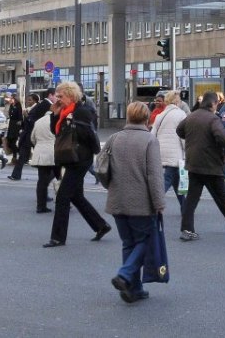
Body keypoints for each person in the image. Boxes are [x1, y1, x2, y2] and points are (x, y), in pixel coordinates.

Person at [106, 101, 166, 304]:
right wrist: (159, 203)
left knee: (128, 243)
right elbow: (155, 176)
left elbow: (101, 165)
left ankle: (133, 289)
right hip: (141, 202)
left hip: (117, 199)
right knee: (146, 241)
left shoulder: (114, 138)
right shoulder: (149, 140)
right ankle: (124, 275)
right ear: (147, 117)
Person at [43, 81, 112, 247]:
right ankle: (101, 225)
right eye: (57, 96)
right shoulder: (63, 111)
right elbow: (55, 131)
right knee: (76, 196)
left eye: (61, 96)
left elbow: (88, 134)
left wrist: (71, 123)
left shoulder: (81, 111)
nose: (57, 99)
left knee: (63, 196)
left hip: (80, 158)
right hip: (70, 157)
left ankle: (58, 237)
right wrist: (55, 114)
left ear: (71, 95)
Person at [176, 91, 225, 241]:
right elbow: (221, 137)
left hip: (194, 163)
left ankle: (187, 229)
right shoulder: (213, 119)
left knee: (191, 199)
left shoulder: (192, 115)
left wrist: (192, 137)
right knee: (221, 197)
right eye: (217, 104)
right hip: (211, 164)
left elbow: (179, 130)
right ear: (214, 104)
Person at [151, 90, 187, 210]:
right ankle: (153, 203)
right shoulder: (181, 114)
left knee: (177, 181)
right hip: (175, 152)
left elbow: (153, 135)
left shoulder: (160, 116)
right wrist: (187, 151)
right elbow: (184, 137)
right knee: (168, 179)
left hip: (162, 151)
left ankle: (185, 207)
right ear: (177, 101)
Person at [10, 89, 53, 181]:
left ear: (35, 100)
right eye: (27, 100)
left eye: (29, 100)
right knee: (22, 156)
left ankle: (49, 174)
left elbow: (34, 121)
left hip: (33, 135)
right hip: (28, 135)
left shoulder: (39, 107)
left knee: (38, 156)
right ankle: (16, 175)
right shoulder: (32, 108)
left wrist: (26, 116)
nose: (27, 102)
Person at [29, 99, 61, 213]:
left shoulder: (39, 121)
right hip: (56, 152)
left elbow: (32, 138)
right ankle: (62, 201)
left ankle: (40, 206)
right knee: (60, 177)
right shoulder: (58, 120)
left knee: (42, 181)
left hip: (41, 153)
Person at [4, 93, 23, 166]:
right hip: (11, 124)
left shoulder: (18, 106)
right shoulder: (11, 105)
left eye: (11, 98)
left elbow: (20, 116)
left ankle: (15, 158)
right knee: (9, 141)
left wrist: (20, 123)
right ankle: (17, 154)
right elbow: (8, 114)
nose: (10, 99)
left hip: (16, 125)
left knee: (14, 141)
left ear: (14, 99)